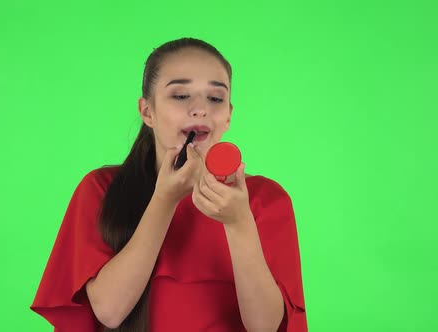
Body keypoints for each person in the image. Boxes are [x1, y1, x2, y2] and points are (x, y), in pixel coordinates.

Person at [30, 37, 307, 332]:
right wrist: (164, 200)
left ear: (228, 116)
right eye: (180, 95)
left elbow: (265, 327)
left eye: (215, 98)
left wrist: (239, 223)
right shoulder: (100, 189)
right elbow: (109, 312)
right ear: (148, 112)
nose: (200, 109)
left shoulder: (267, 199)